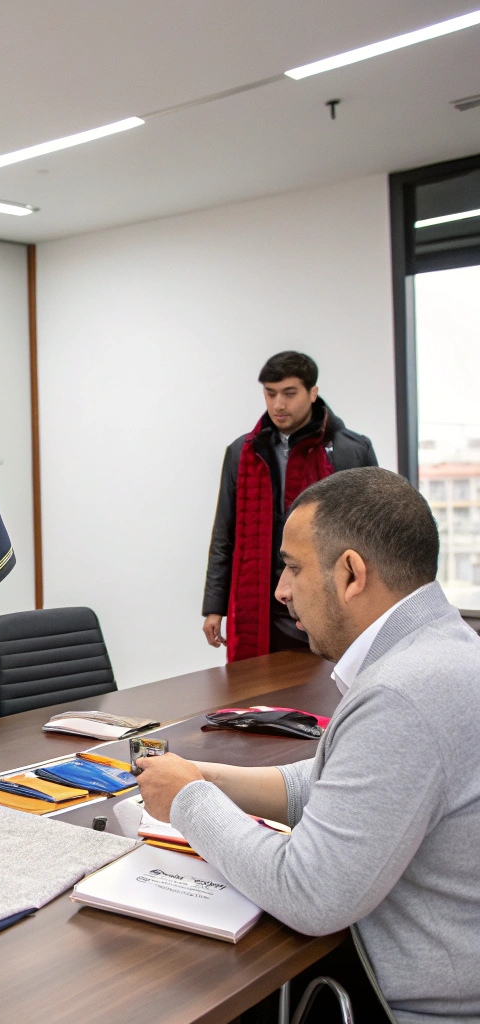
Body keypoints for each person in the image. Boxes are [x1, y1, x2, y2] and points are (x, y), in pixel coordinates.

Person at [138, 468, 480, 1019]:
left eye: (293, 567)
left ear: (350, 574)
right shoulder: (443, 647)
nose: (281, 590)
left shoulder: (403, 694)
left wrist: (187, 802)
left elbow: (310, 893)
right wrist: (205, 777)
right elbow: (334, 783)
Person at [202, 351, 377, 661]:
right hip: (259, 602)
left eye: (289, 393)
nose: (278, 404)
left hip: (323, 595)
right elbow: (224, 533)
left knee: (321, 687)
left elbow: (370, 536)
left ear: (313, 393)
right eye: (270, 394)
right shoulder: (242, 452)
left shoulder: (351, 449)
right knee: (253, 689)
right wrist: (214, 608)